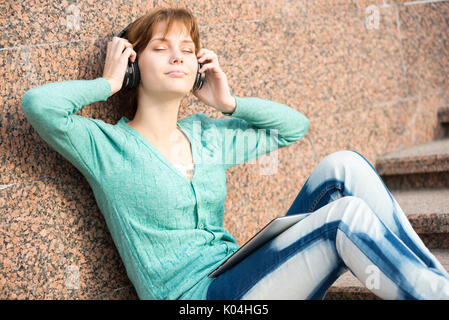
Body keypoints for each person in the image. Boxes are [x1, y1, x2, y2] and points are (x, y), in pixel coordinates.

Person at [21, 7, 449, 300]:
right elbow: (40, 106)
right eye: (161, 48)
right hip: (199, 298)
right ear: (134, 64)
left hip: (242, 271)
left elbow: (293, 128)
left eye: (187, 50)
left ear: (198, 69)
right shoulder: (107, 146)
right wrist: (108, 84)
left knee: (344, 167)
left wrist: (229, 104)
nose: (178, 57)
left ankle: (435, 286)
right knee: (343, 219)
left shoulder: (206, 135)